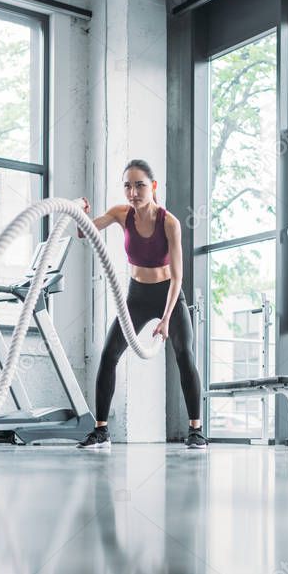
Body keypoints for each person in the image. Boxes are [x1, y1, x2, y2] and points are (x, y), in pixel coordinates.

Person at [75, 159, 206, 450]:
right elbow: (84, 233)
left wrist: (167, 318)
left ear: (153, 186)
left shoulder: (169, 222)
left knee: (184, 354)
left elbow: (178, 276)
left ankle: (196, 430)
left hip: (167, 294)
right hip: (136, 297)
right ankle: (101, 431)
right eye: (128, 186)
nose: (133, 192)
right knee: (109, 355)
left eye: (139, 185)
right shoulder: (121, 214)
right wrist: (81, 216)